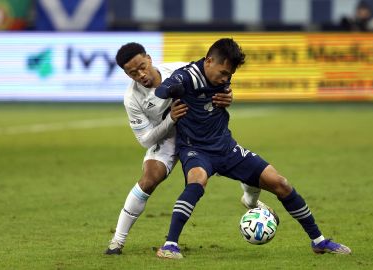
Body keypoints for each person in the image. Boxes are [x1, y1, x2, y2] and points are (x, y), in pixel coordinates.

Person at [154, 38, 352, 259]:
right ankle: (169, 245)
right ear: (209, 61)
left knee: (281, 183)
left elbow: (222, 94)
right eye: (223, 73)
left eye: (229, 75)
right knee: (198, 180)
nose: (226, 79)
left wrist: (229, 95)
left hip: (226, 148)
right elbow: (161, 90)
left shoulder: (221, 79)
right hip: (196, 149)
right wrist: (173, 89)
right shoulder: (187, 75)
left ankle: (318, 241)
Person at [105, 42, 272, 255]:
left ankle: (251, 200)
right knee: (149, 179)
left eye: (142, 66)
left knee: (238, 162)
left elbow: (218, 81)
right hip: (167, 137)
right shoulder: (132, 99)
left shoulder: (180, 70)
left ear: (149, 58)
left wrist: (230, 96)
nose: (141, 74)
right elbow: (146, 140)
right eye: (132, 73)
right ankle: (117, 242)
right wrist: (171, 120)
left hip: (199, 134)